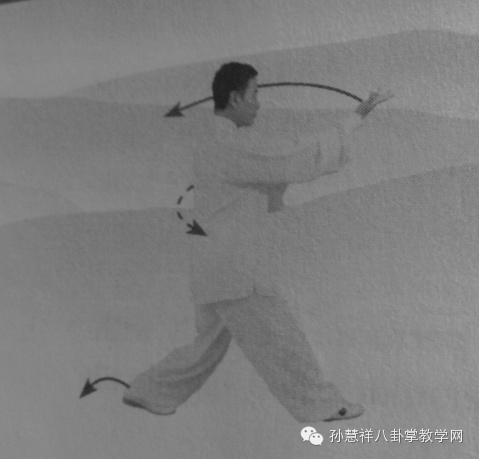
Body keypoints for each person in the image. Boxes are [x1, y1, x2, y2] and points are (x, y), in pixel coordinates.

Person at [123, 62, 393, 422]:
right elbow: (290, 159)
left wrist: (352, 121)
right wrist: (355, 118)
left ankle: (147, 391)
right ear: (235, 98)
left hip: (216, 265)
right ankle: (321, 404)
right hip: (236, 269)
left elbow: (277, 164)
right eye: (254, 94)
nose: (258, 104)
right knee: (281, 340)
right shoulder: (229, 145)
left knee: (205, 348)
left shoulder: (221, 142)